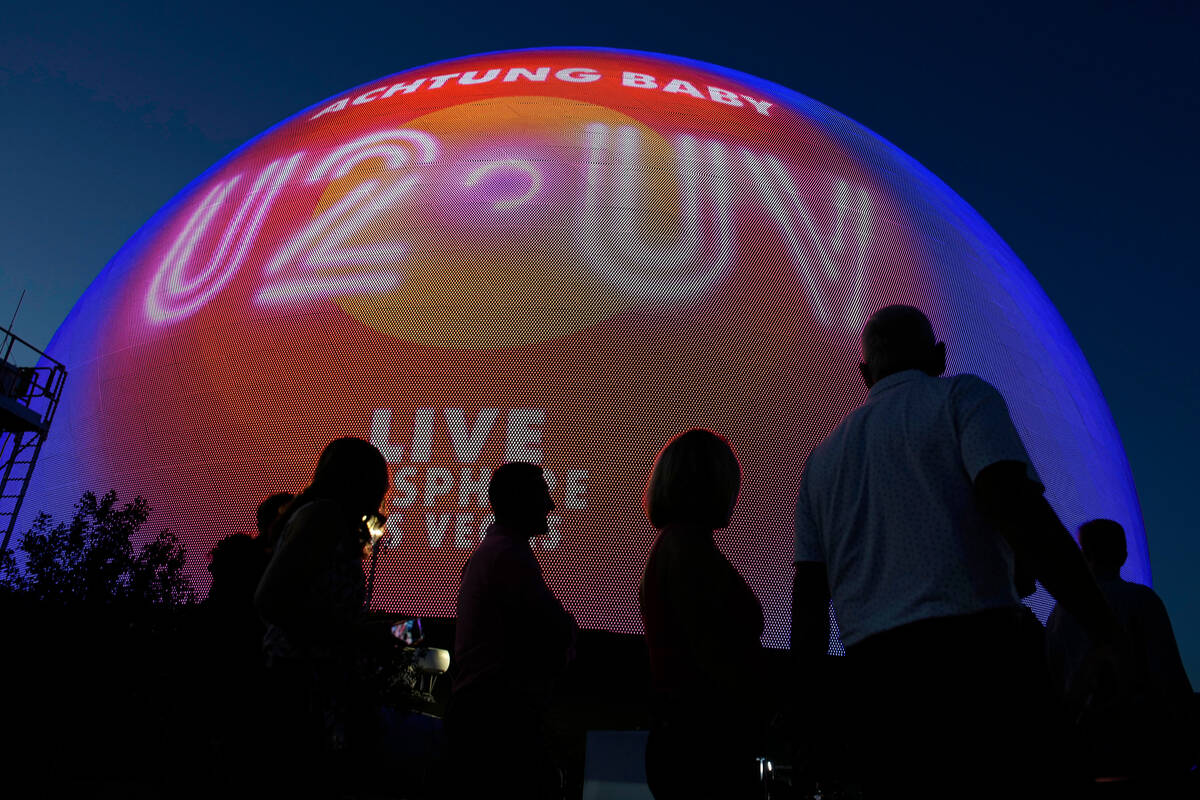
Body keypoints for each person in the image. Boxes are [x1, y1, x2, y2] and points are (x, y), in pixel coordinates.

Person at [791, 304, 1117, 798]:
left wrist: (810, 713)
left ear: (863, 374)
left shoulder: (820, 463)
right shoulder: (963, 398)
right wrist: (1104, 628)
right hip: (984, 669)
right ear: (940, 355)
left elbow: (809, 600)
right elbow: (1016, 507)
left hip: (876, 687)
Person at [254, 438, 389, 788]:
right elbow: (270, 598)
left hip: (307, 678)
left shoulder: (322, 517)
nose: (386, 491)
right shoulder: (322, 517)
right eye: (379, 482)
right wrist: (353, 633)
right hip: (303, 682)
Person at [639, 429, 764, 799]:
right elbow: (712, 651)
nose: (735, 493)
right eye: (729, 478)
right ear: (706, 483)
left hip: (686, 737)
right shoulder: (688, 550)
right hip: (704, 744)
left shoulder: (675, 546)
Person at [448, 462, 578, 800]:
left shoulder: (495, 553)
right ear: (521, 500)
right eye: (542, 494)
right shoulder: (509, 557)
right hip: (497, 719)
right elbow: (551, 632)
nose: (551, 504)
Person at [1045, 519, 1195, 780]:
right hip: (1136, 737)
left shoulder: (1060, 611)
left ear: (1085, 553)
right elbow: (1167, 671)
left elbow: (1053, 672)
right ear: (1123, 554)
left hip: (1082, 738)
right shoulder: (1142, 601)